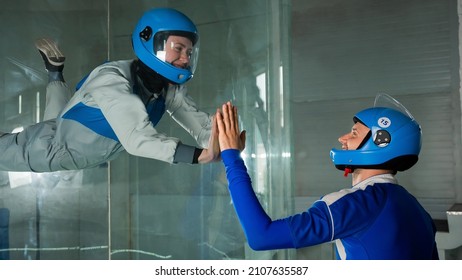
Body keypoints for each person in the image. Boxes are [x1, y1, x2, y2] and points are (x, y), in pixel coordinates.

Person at [216, 96, 439, 260]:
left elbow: (261, 237)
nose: (343, 138)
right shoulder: (419, 211)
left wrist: (231, 157)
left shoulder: (354, 205)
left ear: (381, 142)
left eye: (353, 133)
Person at [0, 8, 220, 172]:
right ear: (149, 41)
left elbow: (199, 126)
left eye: (189, 53)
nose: (185, 58)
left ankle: (55, 71)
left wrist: (221, 141)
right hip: (55, 150)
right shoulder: (112, 81)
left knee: (55, 122)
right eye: (178, 49)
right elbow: (137, 139)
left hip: (74, 141)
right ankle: (55, 72)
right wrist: (200, 155)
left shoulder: (166, 89)